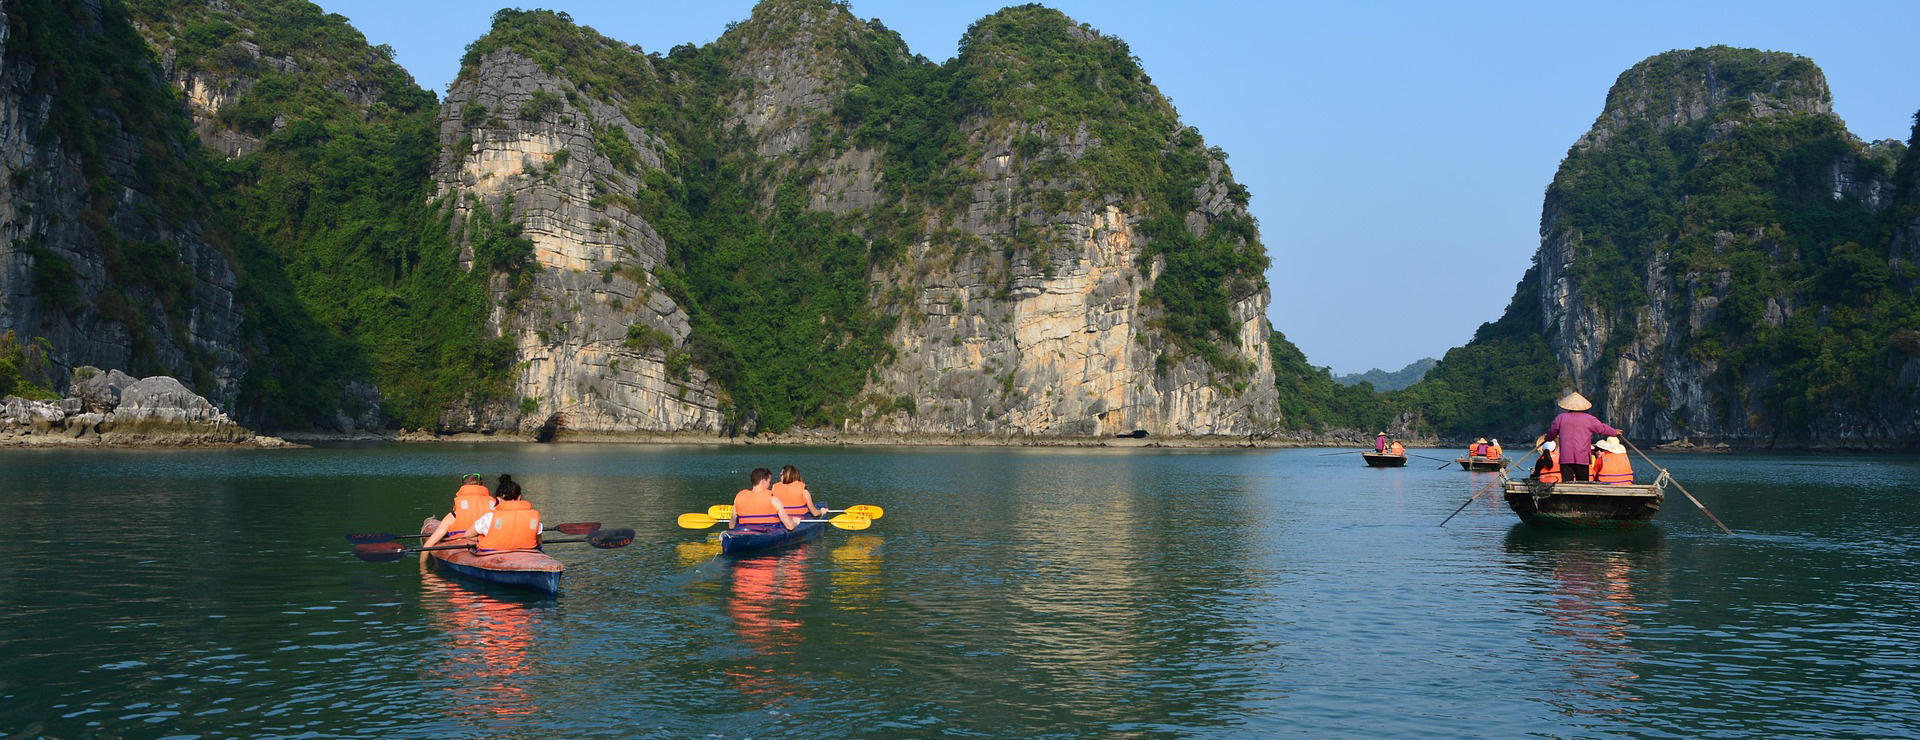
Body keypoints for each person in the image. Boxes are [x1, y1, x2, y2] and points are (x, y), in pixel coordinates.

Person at [1536, 392, 1622, 483]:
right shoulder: (1589, 419)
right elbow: (1602, 428)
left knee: (1567, 483)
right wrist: (1614, 432)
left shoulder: (1560, 418)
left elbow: (1552, 432)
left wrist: (1548, 438)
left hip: (1566, 458)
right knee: (1583, 483)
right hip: (1582, 457)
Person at [423, 474, 494, 547]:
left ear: (463, 487)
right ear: (482, 486)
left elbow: (428, 545)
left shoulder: (455, 514)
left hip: (459, 539)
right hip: (488, 542)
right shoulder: (494, 509)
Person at [474, 486, 543, 551]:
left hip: (492, 551)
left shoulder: (490, 516)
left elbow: (468, 536)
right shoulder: (532, 515)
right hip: (527, 550)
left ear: (498, 499)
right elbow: (539, 541)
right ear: (519, 497)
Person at [731, 468, 798, 532]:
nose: (769, 485)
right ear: (763, 481)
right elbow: (790, 526)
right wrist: (795, 522)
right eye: (769, 482)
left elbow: (731, 526)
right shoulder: (774, 500)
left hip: (743, 531)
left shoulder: (739, 498)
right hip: (768, 533)